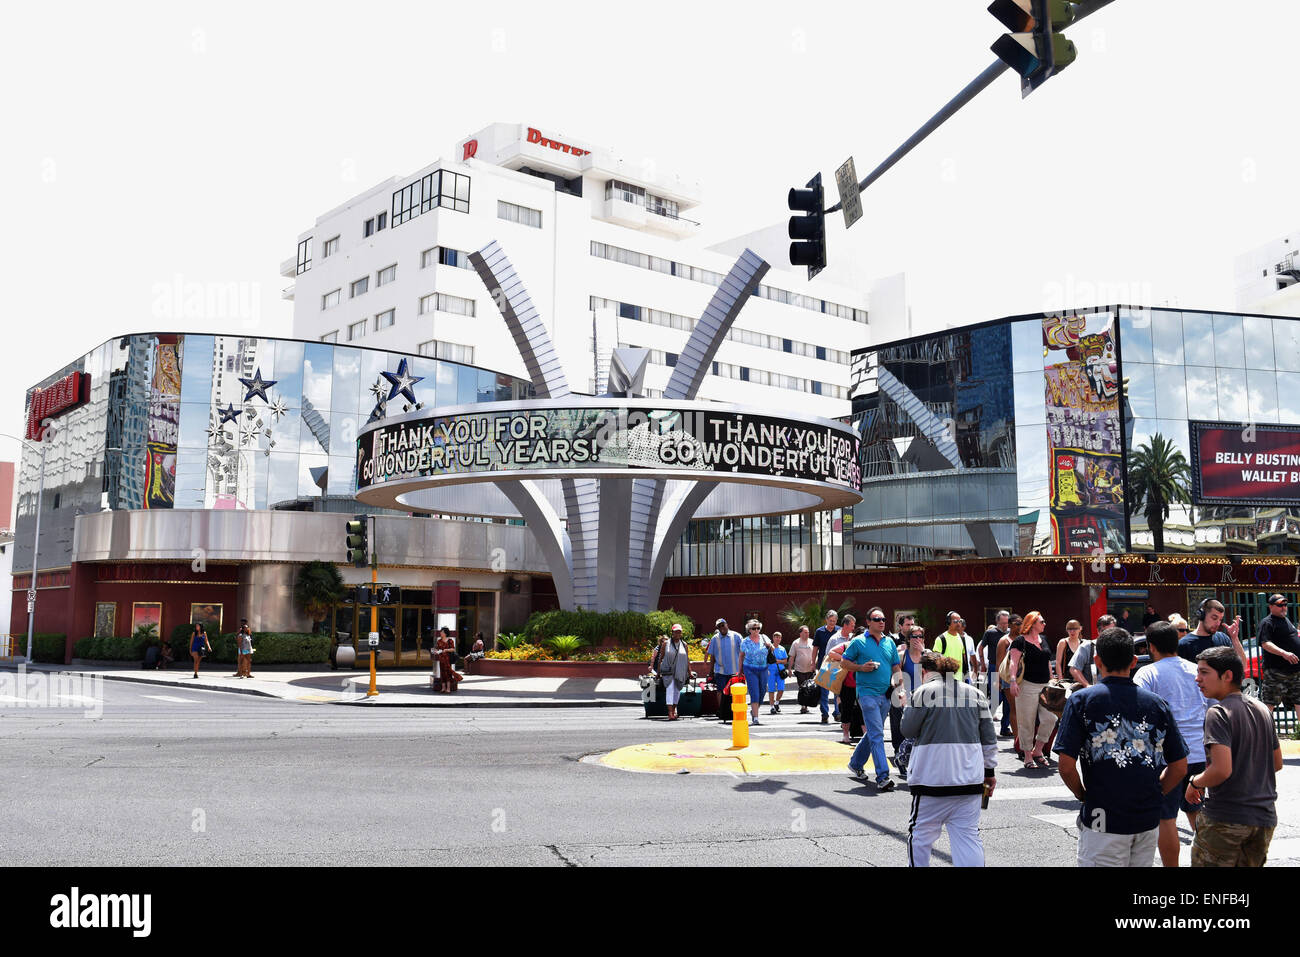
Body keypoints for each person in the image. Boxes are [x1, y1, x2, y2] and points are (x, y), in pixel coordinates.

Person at [1054, 627, 1188, 867]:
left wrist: (1082, 795)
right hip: (1147, 815)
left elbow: (1065, 766)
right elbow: (1179, 766)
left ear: (1097, 661)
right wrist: (1156, 794)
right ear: (1134, 661)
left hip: (1101, 815)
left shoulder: (1082, 700)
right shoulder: (1157, 704)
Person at [1186, 646, 1282, 867]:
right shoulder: (1262, 709)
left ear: (1227, 675)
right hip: (1264, 818)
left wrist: (1195, 782)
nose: (1197, 678)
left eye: (1204, 672)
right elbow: (1276, 763)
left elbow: (1221, 770)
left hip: (1226, 818)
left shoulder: (1218, 713)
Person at [901, 650, 998, 867]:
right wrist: (989, 772)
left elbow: (907, 730)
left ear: (926, 672)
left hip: (930, 780)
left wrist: (908, 704)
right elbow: (989, 739)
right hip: (970, 780)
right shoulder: (976, 694)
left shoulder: (923, 693)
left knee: (920, 837)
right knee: (968, 838)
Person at [1134, 621, 1207, 867]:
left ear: (1151, 646)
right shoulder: (1197, 670)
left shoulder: (1147, 673)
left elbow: (1139, 715)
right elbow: (1213, 709)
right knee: (1198, 813)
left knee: (1166, 819)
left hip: (1167, 758)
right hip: (1199, 753)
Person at [840, 607, 903, 792]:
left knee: (873, 733)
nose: (881, 622)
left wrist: (900, 688)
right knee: (877, 735)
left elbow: (896, 667)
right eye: (877, 619)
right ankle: (883, 776)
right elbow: (843, 662)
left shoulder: (889, 642)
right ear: (868, 622)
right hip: (866, 694)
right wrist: (861, 668)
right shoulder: (858, 642)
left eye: (883, 619)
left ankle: (856, 763)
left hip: (885, 694)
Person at [1007, 611, 1057, 770]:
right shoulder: (1020, 641)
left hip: (1045, 685)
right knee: (1026, 722)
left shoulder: (1044, 639)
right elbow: (1013, 663)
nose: (1044, 624)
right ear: (1033, 623)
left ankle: (1038, 750)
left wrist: (1052, 677)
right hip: (1027, 685)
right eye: (1042, 621)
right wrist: (1013, 681)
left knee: (1051, 718)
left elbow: (1047, 660)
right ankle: (1027, 755)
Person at [890, 626, 926, 774]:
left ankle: (909, 760)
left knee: (920, 733)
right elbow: (895, 677)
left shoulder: (927, 655)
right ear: (908, 639)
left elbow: (936, 672)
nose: (917, 639)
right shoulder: (901, 656)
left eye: (920, 636)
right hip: (904, 698)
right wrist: (900, 691)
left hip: (923, 699)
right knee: (904, 731)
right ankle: (902, 757)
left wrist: (923, 652)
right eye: (914, 636)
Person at [1258, 594, 1300, 717]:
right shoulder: (1267, 622)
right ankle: (1264, 733)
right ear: (1271, 607)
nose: (1284, 607)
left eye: (1285, 605)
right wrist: (1284, 653)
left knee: (1299, 701)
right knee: (1269, 704)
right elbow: (1265, 643)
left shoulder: (1286, 620)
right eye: (1280, 605)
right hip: (1276, 671)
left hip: (1295, 670)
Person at [1177, 598, 1247, 666]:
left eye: (1220, 619)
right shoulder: (1184, 644)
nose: (1218, 623)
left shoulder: (1223, 638)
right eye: (1214, 618)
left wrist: (1234, 638)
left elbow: (1243, 666)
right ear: (1202, 615)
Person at [826, 616, 861, 744]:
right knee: (846, 710)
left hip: (863, 684)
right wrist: (845, 659)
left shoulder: (868, 647)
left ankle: (866, 735)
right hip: (848, 683)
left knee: (862, 710)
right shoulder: (847, 645)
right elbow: (830, 653)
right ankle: (845, 735)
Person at [705, 619, 742, 720]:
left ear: (727, 624)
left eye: (723, 625)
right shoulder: (714, 639)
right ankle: (722, 710)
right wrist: (711, 671)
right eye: (719, 626)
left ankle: (734, 711)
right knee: (720, 691)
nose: (722, 628)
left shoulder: (737, 636)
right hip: (720, 670)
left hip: (735, 671)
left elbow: (743, 653)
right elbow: (712, 656)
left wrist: (743, 669)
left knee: (734, 691)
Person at [1069, 614, 1116, 688]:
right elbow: (1074, 669)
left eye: (1111, 631)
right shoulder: (1087, 647)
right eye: (1105, 631)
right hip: (1093, 694)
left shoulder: (1118, 648)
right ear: (1098, 631)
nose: (1109, 635)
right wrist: (1087, 685)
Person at [739, 620, 771, 725]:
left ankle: (754, 710)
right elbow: (741, 656)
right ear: (749, 629)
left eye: (758, 628)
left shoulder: (764, 637)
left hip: (764, 668)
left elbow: (773, 649)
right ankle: (756, 718)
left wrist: (769, 645)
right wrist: (739, 671)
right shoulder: (745, 641)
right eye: (754, 628)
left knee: (762, 691)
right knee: (754, 693)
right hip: (750, 669)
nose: (756, 630)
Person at [995, 615, 1022, 740]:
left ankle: (1024, 738)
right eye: (1017, 623)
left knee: (1024, 709)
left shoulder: (1024, 639)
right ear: (1010, 625)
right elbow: (999, 662)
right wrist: (997, 681)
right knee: (1014, 708)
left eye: (1021, 623)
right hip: (1008, 679)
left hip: (1023, 678)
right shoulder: (1004, 641)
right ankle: (1017, 740)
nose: (1019, 626)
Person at [658, 624, 693, 721]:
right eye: (676, 631)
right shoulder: (666, 644)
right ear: (672, 633)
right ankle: (670, 713)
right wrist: (658, 672)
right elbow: (661, 658)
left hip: (680, 671)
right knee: (670, 690)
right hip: (668, 671)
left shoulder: (684, 645)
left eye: (679, 631)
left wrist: (689, 672)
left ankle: (673, 711)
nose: (678, 633)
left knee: (677, 691)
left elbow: (687, 659)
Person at [813, 610, 840, 725]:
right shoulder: (819, 631)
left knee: (836, 690)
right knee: (824, 691)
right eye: (830, 621)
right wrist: (812, 663)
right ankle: (824, 713)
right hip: (824, 664)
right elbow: (815, 649)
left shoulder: (839, 631)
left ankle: (837, 712)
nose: (832, 623)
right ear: (826, 620)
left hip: (837, 665)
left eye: (834, 621)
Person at [934, 612, 972, 683]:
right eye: (955, 621)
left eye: (960, 621)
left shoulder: (962, 639)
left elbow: (964, 659)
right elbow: (936, 661)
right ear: (948, 622)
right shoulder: (941, 639)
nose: (958, 624)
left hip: (960, 681)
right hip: (945, 681)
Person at [787, 625, 818, 714]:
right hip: (799, 669)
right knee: (802, 688)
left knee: (809, 688)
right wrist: (789, 669)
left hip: (810, 669)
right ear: (800, 633)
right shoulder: (796, 643)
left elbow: (816, 655)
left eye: (808, 632)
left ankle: (806, 705)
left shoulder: (812, 642)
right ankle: (803, 706)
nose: (807, 634)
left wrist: (814, 664)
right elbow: (792, 657)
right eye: (805, 632)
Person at [1055, 620, 1084, 686]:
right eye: (1069, 629)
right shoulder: (1063, 642)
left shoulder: (1083, 643)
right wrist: (1061, 680)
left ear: (1080, 629)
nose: (1072, 631)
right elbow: (1058, 663)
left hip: (1080, 680)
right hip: (1066, 680)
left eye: (1075, 629)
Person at [434, 627, 461, 693]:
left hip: (448, 659)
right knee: (442, 673)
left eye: (442, 632)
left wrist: (446, 650)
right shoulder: (439, 641)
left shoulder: (450, 640)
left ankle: (448, 688)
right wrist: (436, 651)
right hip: (441, 659)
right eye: (441, 632)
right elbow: (437, 649)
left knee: (448, 673)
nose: (441, 633)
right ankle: (443, 688)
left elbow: (453, 649)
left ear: (445, 633)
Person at [767, 631, 788, 714]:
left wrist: (779, 661)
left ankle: (776, 703)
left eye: (779, 637)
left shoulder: (782, 649)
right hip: (771, 671)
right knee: (771, 689)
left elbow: (785, 661)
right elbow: (765, 660)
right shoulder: (769, 648)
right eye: (776, 637)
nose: (778, 639)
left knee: (781, 689)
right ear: (773, 638)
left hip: (780, 671)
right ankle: (772, 707)